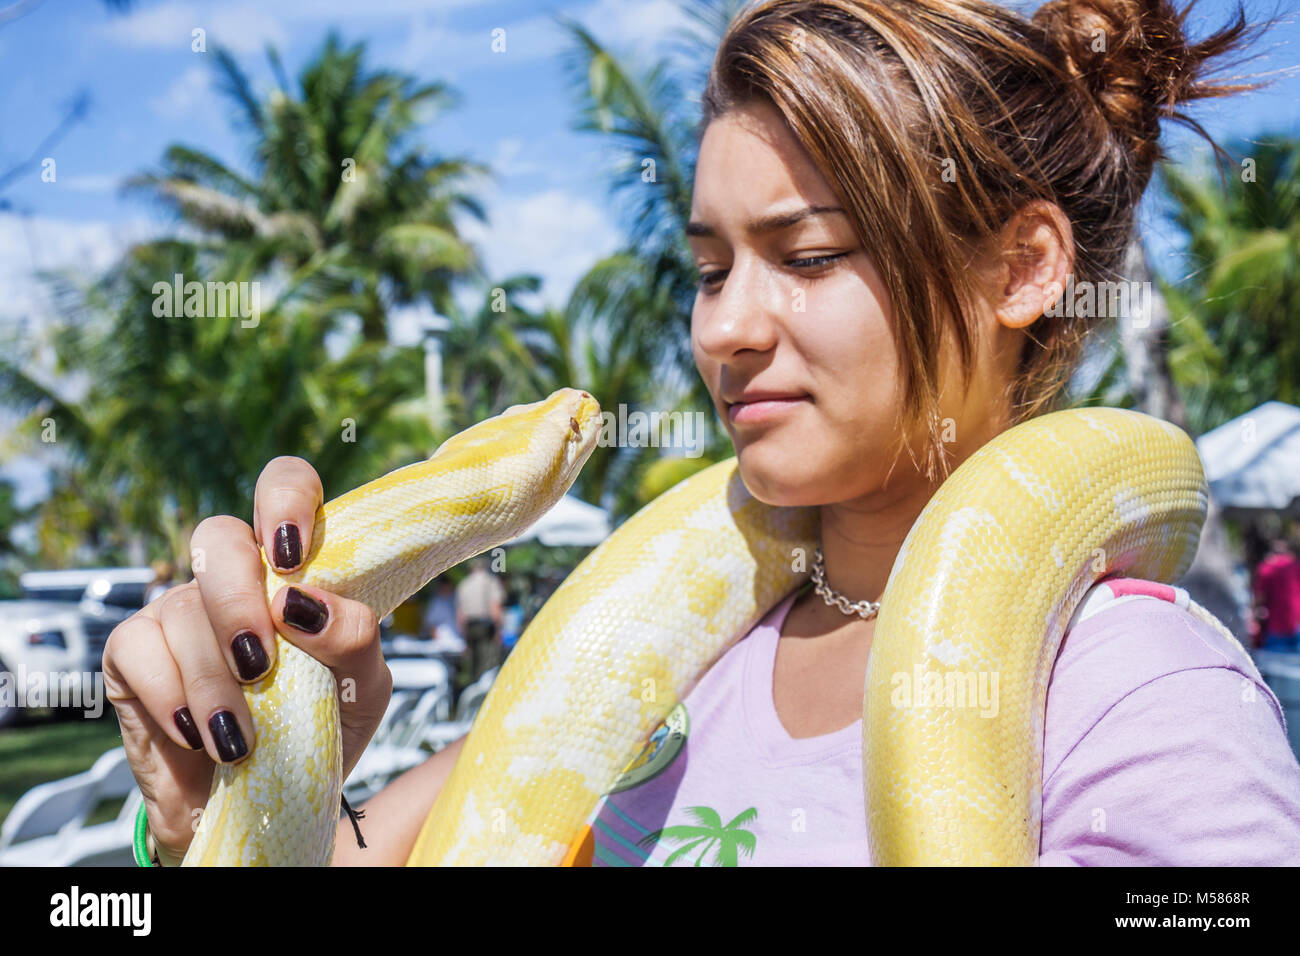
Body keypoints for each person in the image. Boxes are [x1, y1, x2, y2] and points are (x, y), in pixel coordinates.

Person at [103, 0, 1300, 867]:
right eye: (707, 266)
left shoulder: (1133, 687)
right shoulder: (671, 652)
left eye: (811, 254)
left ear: (1026, 267)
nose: (723, 327)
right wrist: (221, 809)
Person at [454, 558, 505, 689]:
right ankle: (484, 694)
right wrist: (499, 629)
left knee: (473, 664)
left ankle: (473, 690)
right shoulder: (491, 582)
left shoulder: (464, 584)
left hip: (470, 627)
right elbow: (495, 607)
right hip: (486, 627)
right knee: (488, 664)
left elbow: (460, 614)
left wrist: (464, 634)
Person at [1253, 536, 1300, 652]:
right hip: (1296, 624)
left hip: (1276, 628)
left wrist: (1253, 614)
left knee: (1275, 666)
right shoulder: (1295, 566)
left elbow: (1260, 598)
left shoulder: (1266, 568)